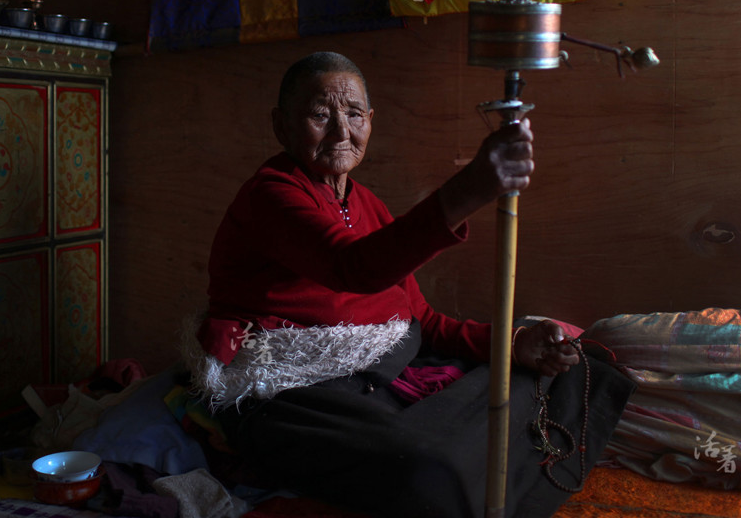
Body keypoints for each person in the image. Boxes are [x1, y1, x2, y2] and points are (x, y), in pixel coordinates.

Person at [184, 52, 635, 517]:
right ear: (281, 126)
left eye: (354, 114)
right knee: (426, 466)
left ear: (371, 122)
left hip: (379, 374)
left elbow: (422, 321)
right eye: (320, 114)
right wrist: (469, 189)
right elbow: (353, 268)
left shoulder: (366, 204)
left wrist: (514, 344)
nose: (342, 131)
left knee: (564, 369)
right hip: (289, 396)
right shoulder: (271, 196)